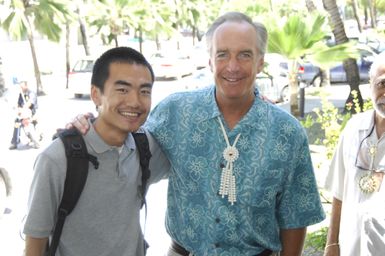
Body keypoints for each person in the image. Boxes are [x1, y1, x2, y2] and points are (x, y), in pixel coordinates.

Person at [71, 12, 325, 255]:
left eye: (245, 55)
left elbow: (295, 215)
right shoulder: (175, 112)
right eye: (223, 54)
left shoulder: (287, 133)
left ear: (260, 62)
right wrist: (88, 124)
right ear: (210, 60)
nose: (233, 66)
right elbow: (124, 140)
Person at [23, 47, 170, 256]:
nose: (135, 102)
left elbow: (189, 161)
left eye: (144, 91)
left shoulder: (145, 146)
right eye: (122, 89)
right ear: (96, 94)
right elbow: (35, 242)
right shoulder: (57, 159)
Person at [324, 51, 385, 256]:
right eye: (382, 84)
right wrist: (331, 245)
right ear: (370, 85)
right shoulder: (353, 128)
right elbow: (338, 194)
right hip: (351, 249)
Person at [9, 79, 40, 149]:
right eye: (20, 87)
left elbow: (30, 103)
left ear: (26, 86)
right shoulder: (21, 94)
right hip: (24, 114)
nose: (21, 88)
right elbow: (19, 104)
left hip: (32, 113)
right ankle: (14, 142)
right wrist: (17, 108)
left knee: (28, 124)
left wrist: (23, 109)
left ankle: (36, 141)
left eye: (22, 87)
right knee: (17, 122)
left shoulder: (31, 93)